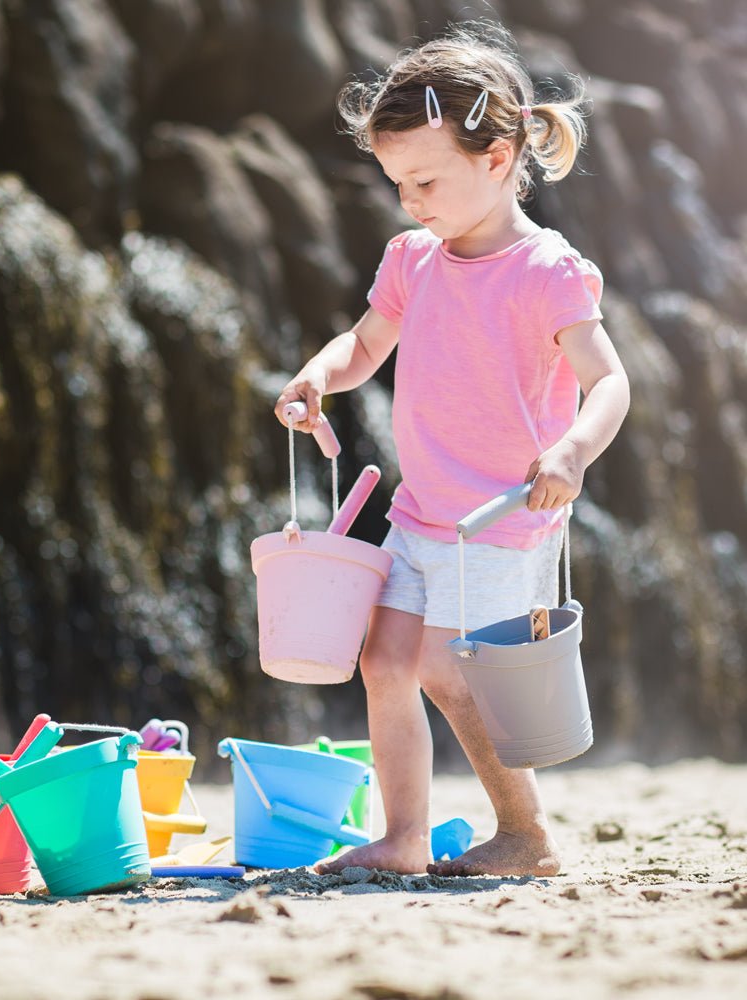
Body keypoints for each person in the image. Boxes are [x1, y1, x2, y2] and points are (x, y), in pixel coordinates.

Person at [275, 22, 630, 877]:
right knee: (386, 660)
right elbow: (361, 348)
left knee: (450, 668)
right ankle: (401, 838)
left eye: (426, 180)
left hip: (503, 519)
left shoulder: (547, 270)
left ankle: (525, 833)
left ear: (500, 158)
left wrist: (573, 453)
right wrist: (315, 379)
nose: (412, 200)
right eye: (400, 183)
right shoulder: (412, 261)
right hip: (422, 511)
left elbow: (610, 382)